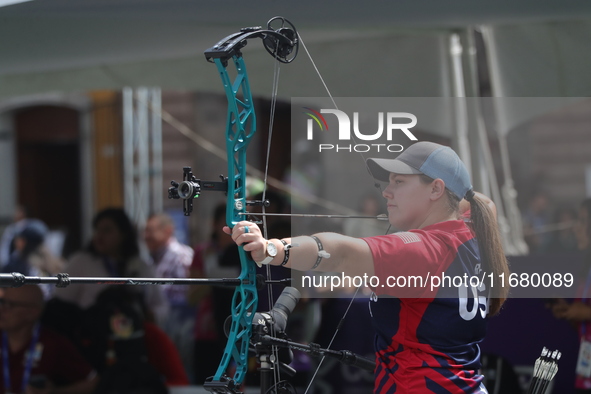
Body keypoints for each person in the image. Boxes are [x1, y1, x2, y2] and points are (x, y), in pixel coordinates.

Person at [224, 141, 510, 393]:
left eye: (400, 182)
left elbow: (342, 252)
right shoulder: (471, 232)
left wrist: (271, 249)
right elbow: (482, 201)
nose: (387, 191)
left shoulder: (420, 249)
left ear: (436, 188)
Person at [53, 208, 166, 321]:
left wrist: (152, 315)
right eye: (97, 229)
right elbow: (60, 302)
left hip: (134, 332)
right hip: (91, 334)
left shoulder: (140, 266)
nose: (99, 235)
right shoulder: (81, 261)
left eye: (107, 230)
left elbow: (161, 305)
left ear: (124, 234)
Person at [0, 285, 97, 394]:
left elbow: (93, 381)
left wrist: (57, 392)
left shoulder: (52, 343)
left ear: (33, 312)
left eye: (11, 305)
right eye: (2, 302)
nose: (2, 309)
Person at [143, 212, 194, 376]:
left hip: (181, 327)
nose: (146, 236)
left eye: (151, 231)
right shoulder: (151, 259)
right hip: (161, 327)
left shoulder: (182, 256)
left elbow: (188, 295)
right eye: (145, 231)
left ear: (168, 231)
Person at [550, 198, 591, 393]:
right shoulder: (585, 270)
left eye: (583, 221)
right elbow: (582, 324)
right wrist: (568, 312)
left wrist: (587, 312)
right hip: (584, 374)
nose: (576, 228)